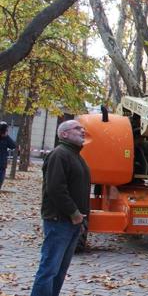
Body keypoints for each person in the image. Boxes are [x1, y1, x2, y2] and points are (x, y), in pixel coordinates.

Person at [31, 119, 91, 296]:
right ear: (64, 134)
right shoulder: (59, 154)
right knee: (49, 270)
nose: (83, 131)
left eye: (82, 128)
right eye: (77, 128)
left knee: (59, 271)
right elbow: (55, 188)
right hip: (59, 221)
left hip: (72, 222)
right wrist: (73, 212)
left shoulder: (75, 155)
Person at [0, 121, 17, 191]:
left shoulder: (6, 139)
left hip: (2, 165)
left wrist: (7, 136)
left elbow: (13, 146)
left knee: (0, 180)